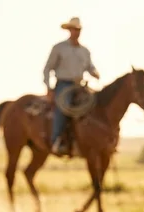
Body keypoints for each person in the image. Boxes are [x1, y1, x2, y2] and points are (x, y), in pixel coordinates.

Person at [42, 17, 100, 155]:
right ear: (69, 30)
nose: (76, 32)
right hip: (64, 85)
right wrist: (49, 88)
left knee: (96, 105)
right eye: (74, 29)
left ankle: (89, 141)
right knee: (64, 107)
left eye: (78, 29)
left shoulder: (85, 51)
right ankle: (56, 140)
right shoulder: (59, 48)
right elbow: (47, 68)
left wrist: (95, 73)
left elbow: (90, 67)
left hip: (80, 85)